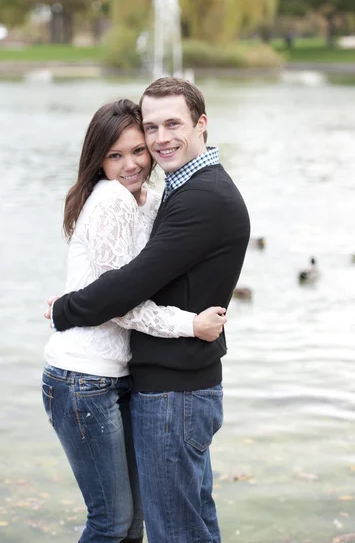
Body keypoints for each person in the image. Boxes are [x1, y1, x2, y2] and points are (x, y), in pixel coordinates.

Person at [47, 78, 251, 543]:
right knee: (177, 523)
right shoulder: (178, 191)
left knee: (172, 530)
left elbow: (127, 287)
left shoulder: (200, 197)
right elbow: (126, 279)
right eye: (152, 127)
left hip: (174, 392)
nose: (160, 141)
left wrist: (66, 308)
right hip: (164, 382)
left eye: (173, 124)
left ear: (202, 124)